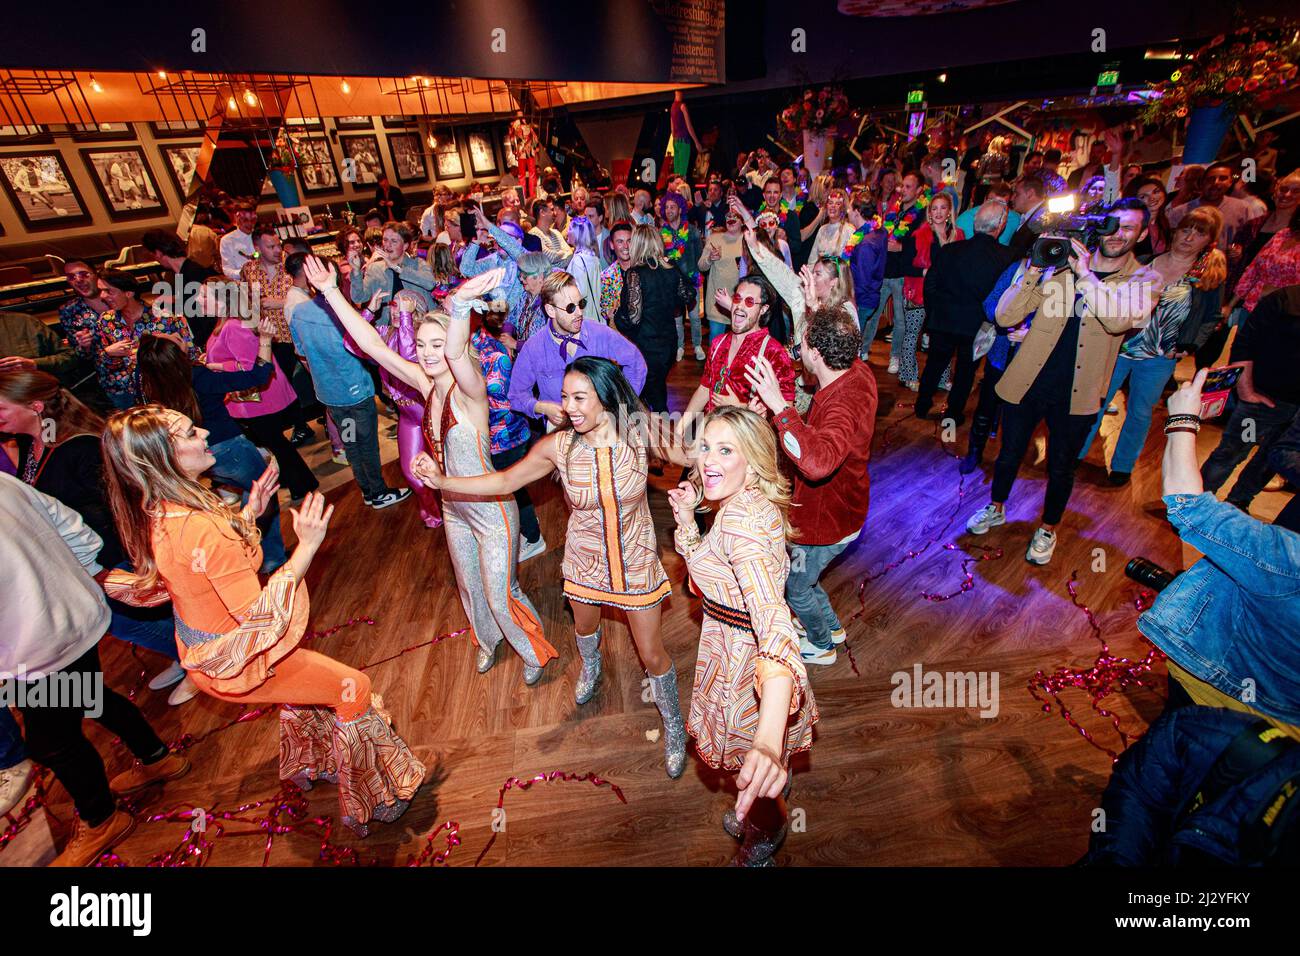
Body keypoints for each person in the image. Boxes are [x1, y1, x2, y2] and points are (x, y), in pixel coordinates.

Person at [101, 406, 425, 835]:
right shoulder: (199, 526)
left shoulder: (160, 507)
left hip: (206, 651)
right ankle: (378, 796)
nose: (202, 431)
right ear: (164, 457)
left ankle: (317, 758)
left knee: (312, 687)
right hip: (240, 657)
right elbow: (260, 619)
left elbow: (206, 569)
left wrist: (249, 514)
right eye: (187, 432)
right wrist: (306, 547)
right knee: (354, 689)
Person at [415, 356, 685, 777]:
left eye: (580, 397)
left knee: (652, 654)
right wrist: (444, 482)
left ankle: (673, 723)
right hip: (584, 562)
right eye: (564, 397)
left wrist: (706, 492)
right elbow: (505, 481)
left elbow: (694, 453)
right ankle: (591, 668)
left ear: (607, 397)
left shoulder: (639, 432)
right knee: (584, 628)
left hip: (636, 561)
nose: (568, 407)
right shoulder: (560, 446)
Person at [311, 257, 558, 682]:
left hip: (492, 510)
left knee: (501, 595)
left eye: (435, 345)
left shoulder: (471, 391)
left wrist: (459, 306)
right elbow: (372, 346)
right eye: (421, 345)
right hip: (453, 510)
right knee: (469, 588)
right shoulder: (426, 385)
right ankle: (488, 641)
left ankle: (532, 652)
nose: (427, 353)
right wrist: (332, 292)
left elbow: (458, 351)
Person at [0, 473, 190, 866]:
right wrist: (88, 574)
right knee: (87, 698)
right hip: (68, 616)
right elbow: (60, 516)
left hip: (36, 643)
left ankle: (102, 818)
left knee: (52, 742)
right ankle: (156, 757)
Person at [965, 198, 1162, 565]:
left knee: (1061, 466)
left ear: (1144, 233)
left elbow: (1119, 320)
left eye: (1129, 227)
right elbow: (1006, 315)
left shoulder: (1143, 279)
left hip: (1078, 392)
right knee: (1009, 453)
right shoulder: (1059, 267)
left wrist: (1086, 275)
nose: (1117, 234)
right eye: (1112, 224)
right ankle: (997, 506)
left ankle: (1048, 528)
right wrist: (1033, 271)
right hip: (1029, 380)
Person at [666, 406, 817, 865]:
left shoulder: (740, 528)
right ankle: (775, 781)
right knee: (758, 765)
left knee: (750, 764)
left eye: (725, 450)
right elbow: (710, 579)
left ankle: (765, 832)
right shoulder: (747, 501)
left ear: (752, 462)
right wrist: (690, 520)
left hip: (741, 660)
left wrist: (768, 741)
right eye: (706, 446)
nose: (708, 459)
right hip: (727, 635)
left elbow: (772, 626)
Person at [0, 367, 197, 705]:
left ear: (34, 406)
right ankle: (188, 658)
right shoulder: (31, 445)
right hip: (87, 561)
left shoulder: (80, 447)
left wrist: (121, 564)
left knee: (128, 622)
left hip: (109, 556)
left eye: (2, 408)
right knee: (130, 621)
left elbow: (121, 508)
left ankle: (199, 662)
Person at [1137, 369, 1300, 729]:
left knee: (1178, 755)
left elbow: (1188, 506)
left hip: (1214, 679)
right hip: (1288, 719)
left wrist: (1182, 419)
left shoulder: (1287, 559)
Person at [746, 308, 877, 666]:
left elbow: (817, 462)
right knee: (809, 577)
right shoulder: (857, 372)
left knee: (797, 586)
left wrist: (779, 407)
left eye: (801, 344)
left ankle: (822, 645)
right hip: (844, 509)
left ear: (816, 354)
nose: (797, 349)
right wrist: (780, 414)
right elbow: (817, 437)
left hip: (827, 521)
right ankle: (832, 628)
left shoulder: (842, 403)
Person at [1077, 206, 1227, 484]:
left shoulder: (1206, 277)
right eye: (1185, 229)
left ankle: (1122, 466)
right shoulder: (1145, 261)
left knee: (1140, 411)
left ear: (1209, 240)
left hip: (1160, 355)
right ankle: (1075, 453)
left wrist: (1189, 345)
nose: (1189, 237)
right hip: (1121, 345)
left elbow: (1212, 318)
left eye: (1198, 233)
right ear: (1175, 231)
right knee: (1097, 400)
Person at [136, 326, 289, 576]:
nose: (180, 336)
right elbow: (258, 376)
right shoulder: (197, 376)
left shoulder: (153, 384)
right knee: (265, 492)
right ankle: (271, 559)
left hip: (198, 457)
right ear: (176, 355)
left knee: (250, 492)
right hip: (229, 448)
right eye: (176, 338)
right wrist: (264, 340)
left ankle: (251, 551)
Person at [283, 253, 410, 510]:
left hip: (330, 394)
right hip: (355, 391)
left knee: (351, 442)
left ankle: (366, 490)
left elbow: (301, 353)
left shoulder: (299, 313)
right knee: (368, 445)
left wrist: (369, 312)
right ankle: (378, 492)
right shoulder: (339, 313)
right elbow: (361, 346)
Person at [1200, 284, 1300, 513]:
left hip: (1295, 420)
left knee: (1268, 462)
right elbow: (1245, 344)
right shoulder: (1285, 299)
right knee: (1233, 451)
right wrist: (1246, 392)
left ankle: (1239, 502)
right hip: (1263, 405)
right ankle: (1197, 503)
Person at [916, 201, 1018, 425]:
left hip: (944, 320)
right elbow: (1005, 297)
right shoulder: (1007, 257)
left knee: (934, 364)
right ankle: (952, 414)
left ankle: (922, 405)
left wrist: (935, 314)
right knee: (965, 371)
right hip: (977, 325)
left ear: (975, 223)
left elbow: (930, 285)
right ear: (1000, 225)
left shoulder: (951, 249)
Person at [680, 273, 796, 434]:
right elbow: (705, 388)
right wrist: (680, 428)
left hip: (744, 443)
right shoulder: (718, 342)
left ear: (763, 309)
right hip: (711, 434)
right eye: (737, 298)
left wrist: (741, 408)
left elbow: (786, 410)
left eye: (749, 302)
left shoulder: (773, 353)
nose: (740, 306)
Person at [237, 225, 315, 445]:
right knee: (281, 384)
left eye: (278, 245)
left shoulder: (289, 268)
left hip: (293, 334)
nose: (277, 250)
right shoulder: (248, 270)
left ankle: (322, 419)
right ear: (257, 247)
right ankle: (300, 426)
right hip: (267, 338)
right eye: (270, 246)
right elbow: (243, 302)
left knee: (308, 378)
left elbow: (309, 297)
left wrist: (278, 303)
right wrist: (250, 332)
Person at [94, 269, 199, 409]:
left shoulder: (165, 319)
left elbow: (191, 354)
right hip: (123, 393)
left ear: (129, 293)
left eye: (109, 291)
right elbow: (101, 364)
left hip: (161, 394)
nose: (102, 296)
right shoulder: (106, 321)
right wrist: (109, 354)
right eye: (100, 291)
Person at [616, 223, 693, 414]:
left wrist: (617, 315)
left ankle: (660, 438)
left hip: (647, 347)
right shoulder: (670, 267)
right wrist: (671, 302)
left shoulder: (635, 273)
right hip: (668, 344)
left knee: (654, 400)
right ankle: (655, 434)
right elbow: (689, 295)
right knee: (656, 391)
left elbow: (632, 319)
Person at [895, 191, 961, 390]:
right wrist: (925, 271)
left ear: (950, 211)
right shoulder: (919, 235)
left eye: (943, 208)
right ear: (929, 212)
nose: (939, 212)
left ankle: (941, 379)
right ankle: (908, 375)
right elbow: (904, 265)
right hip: (919, 293)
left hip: (946, 295)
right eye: (934, 208)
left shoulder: (958, 235)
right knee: (912, 334)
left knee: (944, 337)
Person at [867, 172, 929, 375]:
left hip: (904, 273)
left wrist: (901, 247)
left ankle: (895, 356)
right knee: (873, 313)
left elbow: (922, 243)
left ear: (920, 190)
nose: (902, 190)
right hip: (886, 269)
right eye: (903, 186)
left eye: (909, 187)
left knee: (900, 319)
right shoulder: (895, 210)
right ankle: (863, 350)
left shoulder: (922, 214)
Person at [140, 229, 220, 347]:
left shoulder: (194, 273)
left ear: (158, 253)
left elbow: (205, 317)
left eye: (152, 255)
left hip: (209, 340)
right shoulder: (182, 273)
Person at [1168, 163, 1253, 257]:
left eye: (1223, 178)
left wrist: (1239, 249)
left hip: (1223, 267)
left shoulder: (1242, 208)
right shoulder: (1180, 212)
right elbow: (1169, 241)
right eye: (1211, 179)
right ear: (1203, 182)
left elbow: (1249, 239)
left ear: (1230, 182)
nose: (1216, 182)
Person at [348, 220, 437, 311]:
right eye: (385, 240)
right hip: (389, 323)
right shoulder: (375, 268)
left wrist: (397, 268)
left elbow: (430, 284)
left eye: (394, 241)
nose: (388, 245)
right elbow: (358, 297)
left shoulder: (418, 264)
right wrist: (356, 271)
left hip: (419, 322)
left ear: (405, 246)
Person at [659, 191, 705, 361]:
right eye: (667, 207)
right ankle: (680, 347)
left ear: (680, 209)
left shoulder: (691, 231)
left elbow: (699, 255)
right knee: (677, 318)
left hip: (691, 280)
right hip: (672, 283)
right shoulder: (661, 234)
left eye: (673, 207)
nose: (669, 210)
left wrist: (699, 275)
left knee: (694, 318)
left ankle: (697, 345)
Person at [842, 191, 889, 354]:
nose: (847, 211)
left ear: (857, 211)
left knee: (852, 346)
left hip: (861, 300)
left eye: (849, 208)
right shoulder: (878, 230)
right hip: (868, 296)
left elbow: (862, 280)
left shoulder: (865, 245)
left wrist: (852, 301)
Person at [697, 205, 747, 343]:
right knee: (716, 344)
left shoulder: (747, 240)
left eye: (735, 216)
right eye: (728, 217)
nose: (730, 219)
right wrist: (709, 258)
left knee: (739, 344)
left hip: (740, 302)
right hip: (717, 302)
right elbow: (701, 266)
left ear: (743, 221)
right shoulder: (715, 238)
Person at [955, 181, 1021, 246]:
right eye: (991, 201)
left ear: (1008, 206)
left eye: (1001, 203)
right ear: (984, 200)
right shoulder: (964, 219)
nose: (994, 206)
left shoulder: (1016, 220)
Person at [565, 214, 603, 324]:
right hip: (597, 317)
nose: (568, 232)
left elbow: (579, 292)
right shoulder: (593, 257)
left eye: (570, 229)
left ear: (577, 234)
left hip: (585, 319)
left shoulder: (578, 261)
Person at [1124, 177, 1173, 259]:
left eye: (1156, 192)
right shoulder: (1131, 225)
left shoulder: (1163, 222)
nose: (1152, 198)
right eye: (1143, 196)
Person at [599, 220, 636, 326]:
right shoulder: (606, 277)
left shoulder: (643, 269)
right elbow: (604, 309)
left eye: (629, 241)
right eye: (620, 241)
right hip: (620, 334)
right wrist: (608, 312)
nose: (626, 246)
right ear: (611, 245)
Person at [529, 198, 574, 265]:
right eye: (552, 210)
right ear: (542, 212)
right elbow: (549, 257)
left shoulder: (556, 233)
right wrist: (564, 253)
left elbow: (570, 253)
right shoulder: (533, 235)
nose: (555, 213)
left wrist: (557, 260)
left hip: (563, 274)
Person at [669, 90, 702, 179]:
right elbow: (689, 126)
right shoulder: (682, 106)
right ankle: (681, 191)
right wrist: (696, 142)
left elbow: (672, 128)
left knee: (677, 172)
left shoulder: (672, 106)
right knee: (682, 174)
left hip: (676, 141)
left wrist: (675, 138)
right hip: (684, 141)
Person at [219, 205, 257, 281]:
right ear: (237, 220)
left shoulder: (260, 236)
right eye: (245, 220)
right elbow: (227, 269)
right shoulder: (227, 240)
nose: (250, 224)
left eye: (252, 220)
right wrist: (243, 273)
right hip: (242, 283)